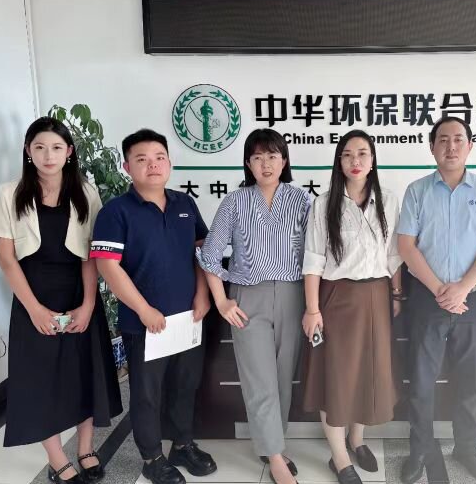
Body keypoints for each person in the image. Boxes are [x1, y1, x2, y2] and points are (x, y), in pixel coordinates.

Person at [0, 117, 122, 484]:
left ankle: (86, 448)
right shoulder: (9, 194)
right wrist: (34, 309)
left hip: (79, 291)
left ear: (69, 152)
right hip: (34, 296)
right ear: (28, 152)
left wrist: (89, 304)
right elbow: (6, 259)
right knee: (41, 379)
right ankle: (57, 458)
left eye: (57, 148)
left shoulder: (86, 192)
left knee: (84, 373)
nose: (49, 155)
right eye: (40, 147)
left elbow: (91, 254)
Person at [91, 129, 216, 484]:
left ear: (169, 163)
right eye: (142, 159)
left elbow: (201, 252)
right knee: (147, 394)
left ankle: (182, 445)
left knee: (185, 385)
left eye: (159, 157)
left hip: (188, 317)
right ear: (127, 166)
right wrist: (144, 309)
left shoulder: (184, 204)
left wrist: (203, 295)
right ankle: (152, 458)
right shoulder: (116, 212)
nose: (153, 165)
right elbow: (107, 266)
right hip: (143, 322)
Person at [396, 116, 476, 484]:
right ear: (432, 147)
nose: (451, 146)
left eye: (458, 139)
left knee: (471, 379)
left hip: (472, 300)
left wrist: (462, 287)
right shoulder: (417, 191)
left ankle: (468, 448)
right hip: (426, 300)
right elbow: (406, 246)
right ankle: (419, 450)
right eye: (443, 139)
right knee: (421, 380)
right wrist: (440, 291)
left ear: (470, 146)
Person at [197, 129, 310, 484]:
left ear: (284, 161)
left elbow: (316, 254)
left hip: (293, 295)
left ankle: (273, 443)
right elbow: (209, 254)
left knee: (282, 378)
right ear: (248, 163)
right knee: (259, 379)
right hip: (248, 297)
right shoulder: (235, 201)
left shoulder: (302, 201)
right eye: (258, 157)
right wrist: (221, 300)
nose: (266, 164)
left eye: (273, 156)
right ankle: (275, 457)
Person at [301, 130, 403, 484]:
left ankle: (357, 440)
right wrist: (312, 309)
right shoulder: (324, 203)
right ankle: (339, 457)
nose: (355, 161)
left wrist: (396, 295)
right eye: (347, 154)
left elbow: (394, 255)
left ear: (373, 160)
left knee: (367, 373)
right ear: (339, 162)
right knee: (337, 377)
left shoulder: (389, 201)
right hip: (337, 299)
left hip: (377, 297)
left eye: (362, 154)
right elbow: (313, 260)